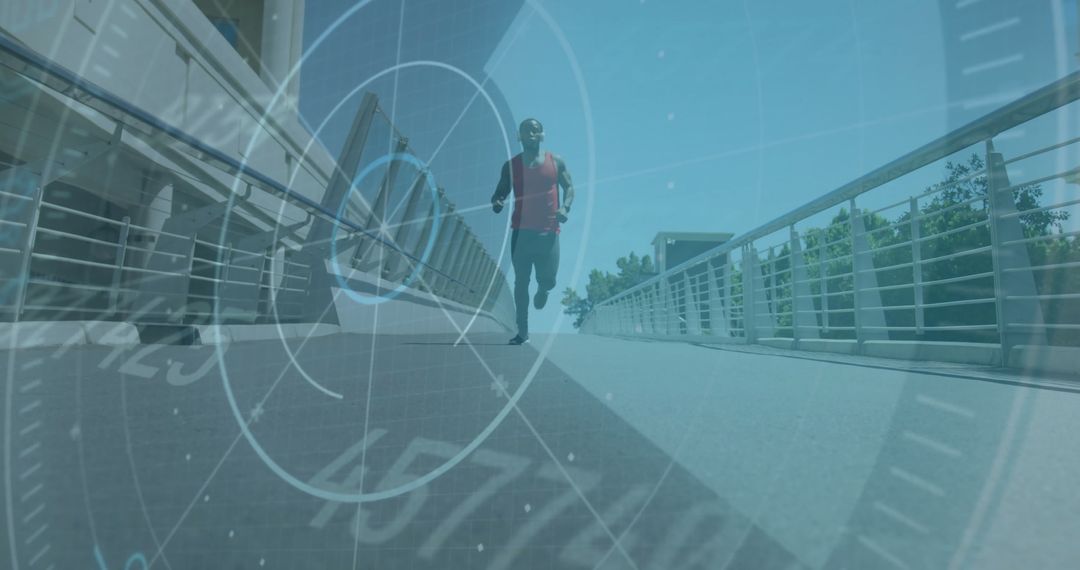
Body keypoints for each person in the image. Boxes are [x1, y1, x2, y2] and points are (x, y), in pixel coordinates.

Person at [491, 118, 574, 345]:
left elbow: (569, 187)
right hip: (521, 233)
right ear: (519, 136)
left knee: (548, 279)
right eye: (526, 130)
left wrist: (565, 207)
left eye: (535, 130)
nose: (531, 133)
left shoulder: (556, 162)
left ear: (542, 135)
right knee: (520, 282)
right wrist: (497, 202)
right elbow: (500, 193)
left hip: (549, 233)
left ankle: (544, 290)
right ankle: (523, 330)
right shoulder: (511, 166)